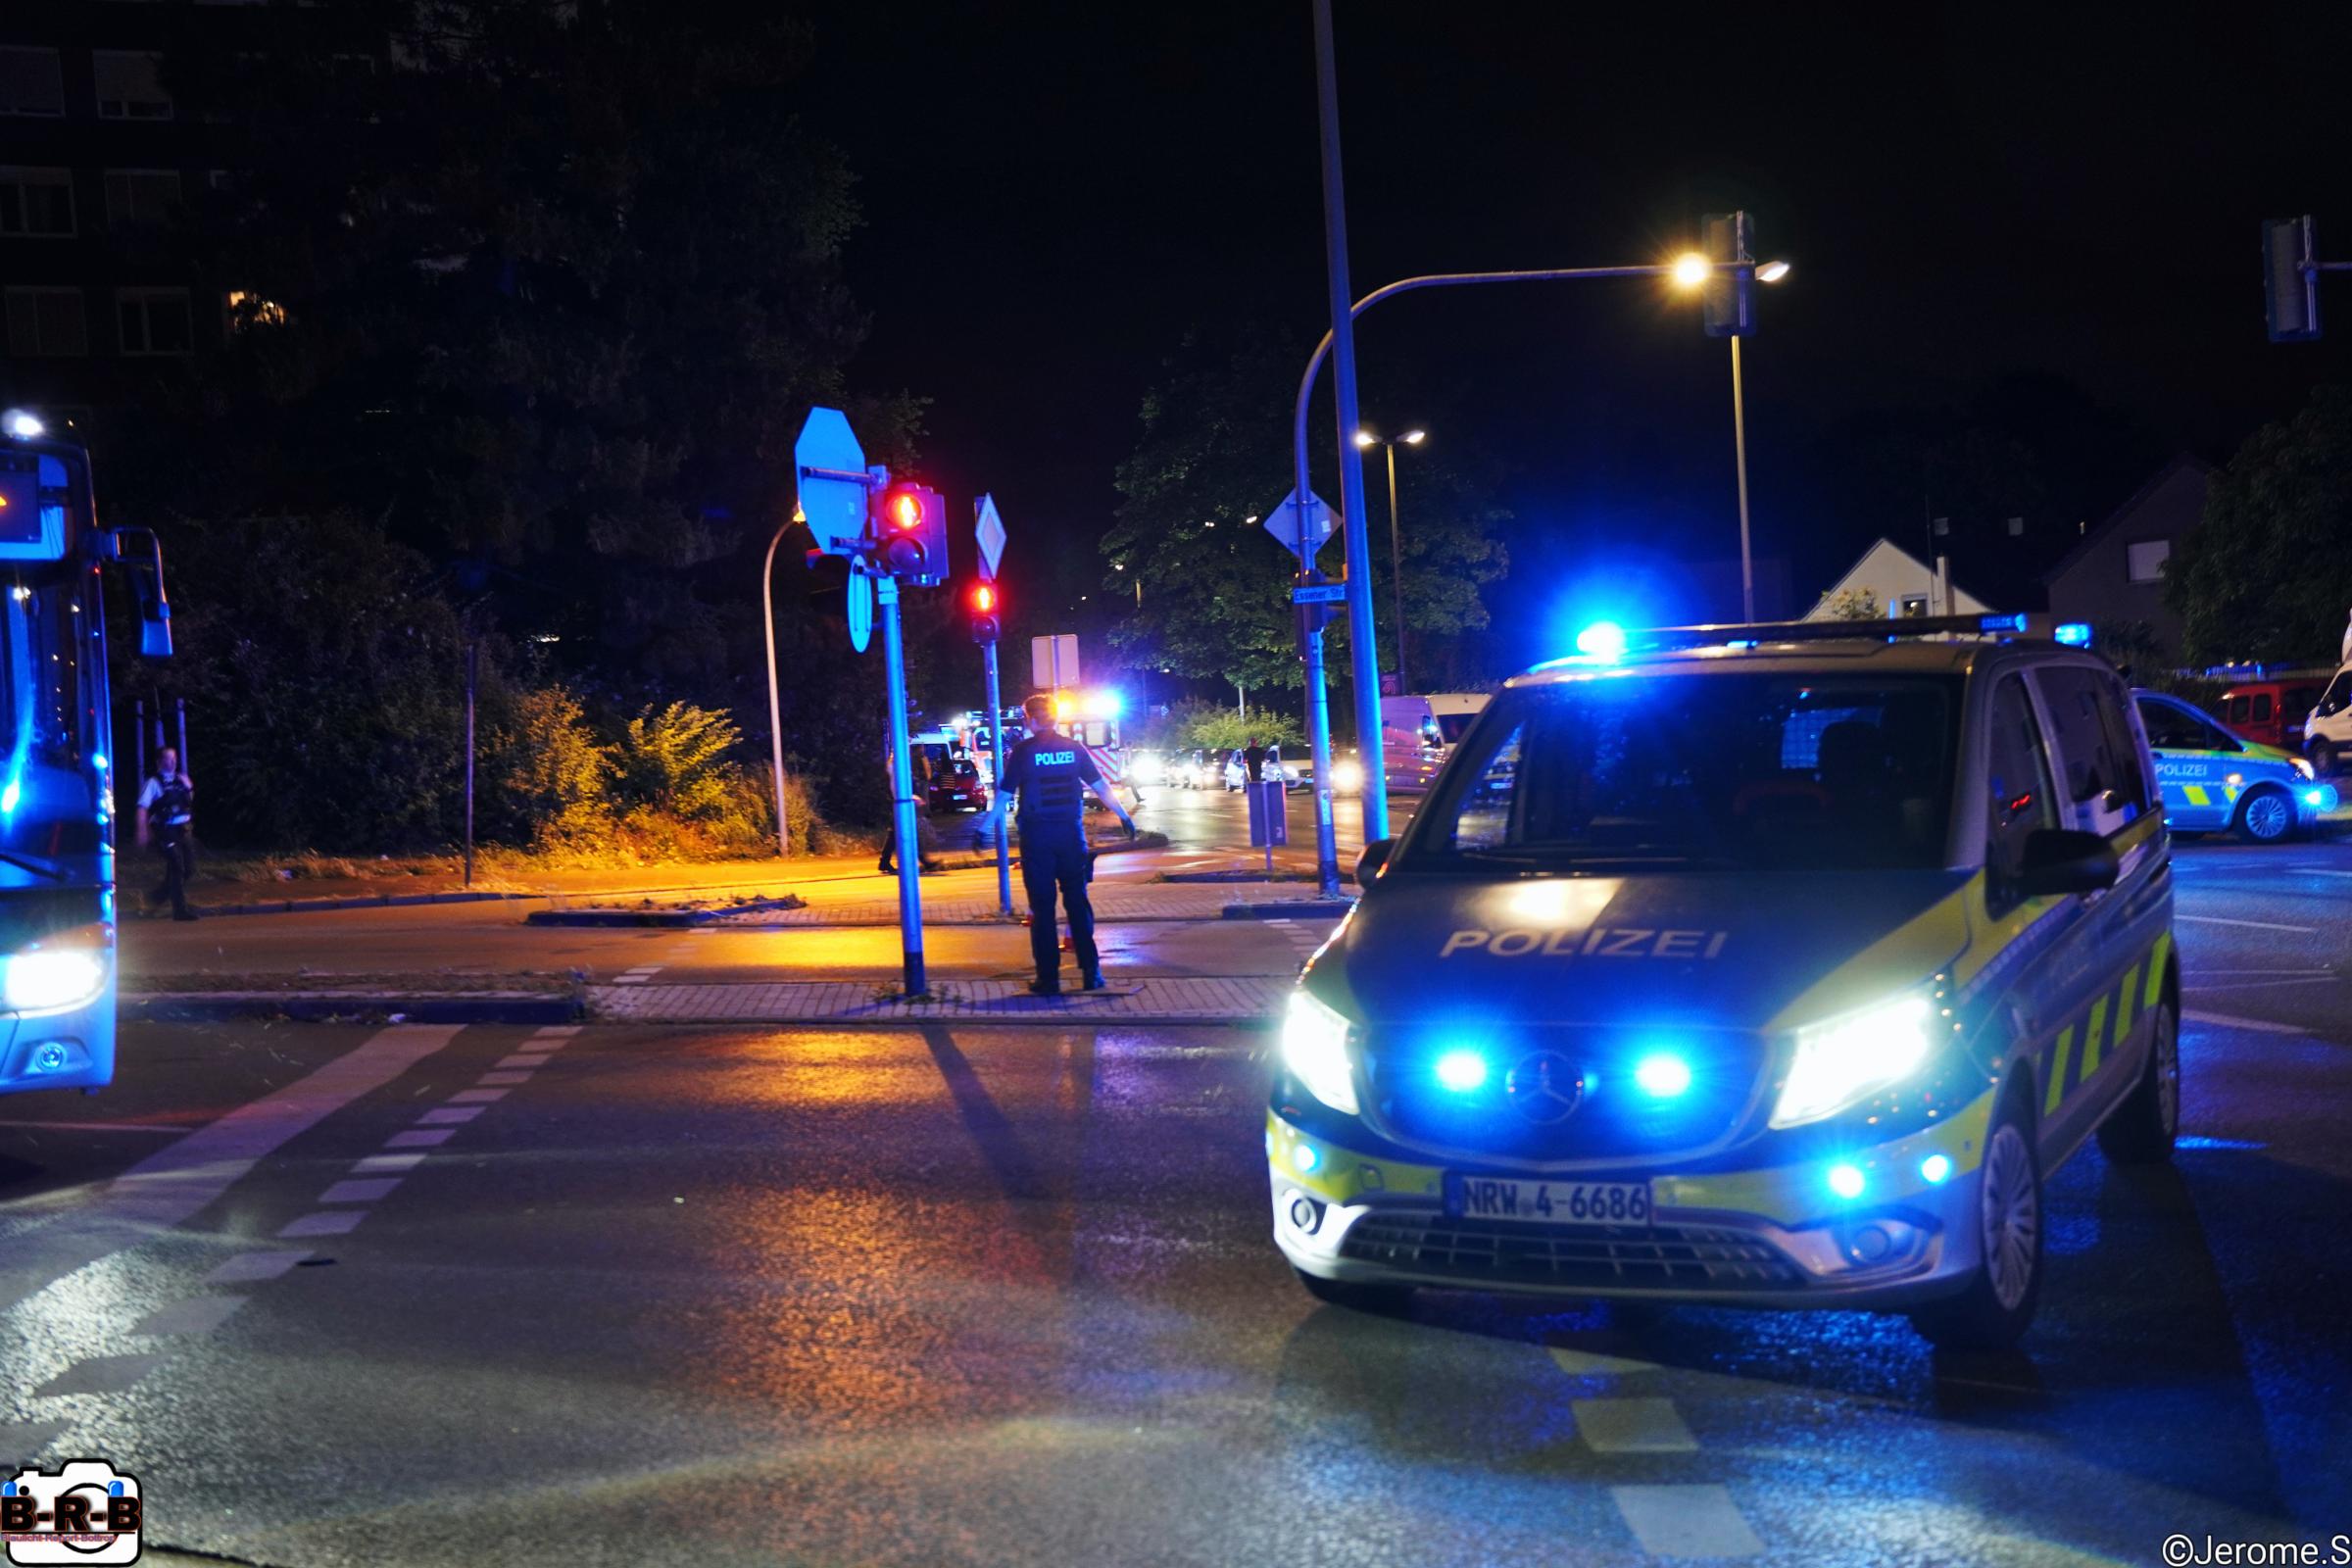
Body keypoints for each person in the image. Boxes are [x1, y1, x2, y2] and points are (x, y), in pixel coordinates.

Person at [971, 695, 1137, 995]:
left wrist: (983, 829)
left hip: (1037, 840)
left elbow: (1005, 796)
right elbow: (1100, 787)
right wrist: (1124, 816)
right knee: (1077, 904)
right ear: (1056, 719)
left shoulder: (1023, 752)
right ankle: (1091, 973)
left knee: (1043, 910)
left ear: (1029, 720)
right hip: (1072, 838)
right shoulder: (1074, 749)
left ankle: (1048, 979)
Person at [136, 746, 198, 921]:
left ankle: (156, 897)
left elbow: (188, 801)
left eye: (174, 759)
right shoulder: (153, 783)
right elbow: (142, 808)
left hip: (183, 829)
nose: (171, 763)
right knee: (177, 867)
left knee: (190, 869)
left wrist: (189, 788)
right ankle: (180, 910)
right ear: (159, 762)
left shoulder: (181, 779)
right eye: (167, 759)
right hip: (165, 831)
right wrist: (142, 831)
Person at [878, 746, 943, 876]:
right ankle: (923, 861)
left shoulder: (898, 767)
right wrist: (914, 797)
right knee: (909, 833)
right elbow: (899, 788)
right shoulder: (897, 768)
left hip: (902, 804)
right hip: (903, 805)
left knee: (895, 834)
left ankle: (885, 862)